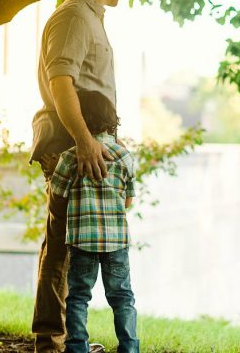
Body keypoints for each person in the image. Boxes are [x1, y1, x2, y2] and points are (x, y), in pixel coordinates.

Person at [29, 0, 132, 353]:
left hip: (88, 140)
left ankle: (64, 339)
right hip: (70, 143)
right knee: (62, 245)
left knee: (71, 243)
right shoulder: (73, 17)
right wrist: (85, 142)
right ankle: (51, 342)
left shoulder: (91, 18)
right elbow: (61, 83)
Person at [49, 90, 138, 353]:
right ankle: (129, 347)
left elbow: (57, 197)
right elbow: (128, 201)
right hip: (116, 242)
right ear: (112, 121)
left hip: (81, 241)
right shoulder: (124, 156)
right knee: (122, 297)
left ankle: (77, 347)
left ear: (80, 120)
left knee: (78, 297)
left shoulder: (70, 157)